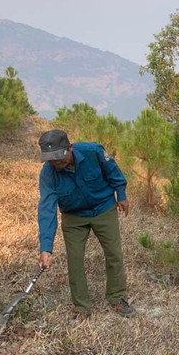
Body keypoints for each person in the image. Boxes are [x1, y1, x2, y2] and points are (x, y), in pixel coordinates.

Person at [37, 129, 136, 320]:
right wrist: (46, 248)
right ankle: (82, 307)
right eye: (52, 160)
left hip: (104, 208)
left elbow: (113, 171)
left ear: (70, 147)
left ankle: (116, 298)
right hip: (73, 216)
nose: (57, 164)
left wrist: (121, 195)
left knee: (114, 253)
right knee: (74, 261)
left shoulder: (94, 151)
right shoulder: (48, 174)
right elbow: (47, 209)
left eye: (59, 159)